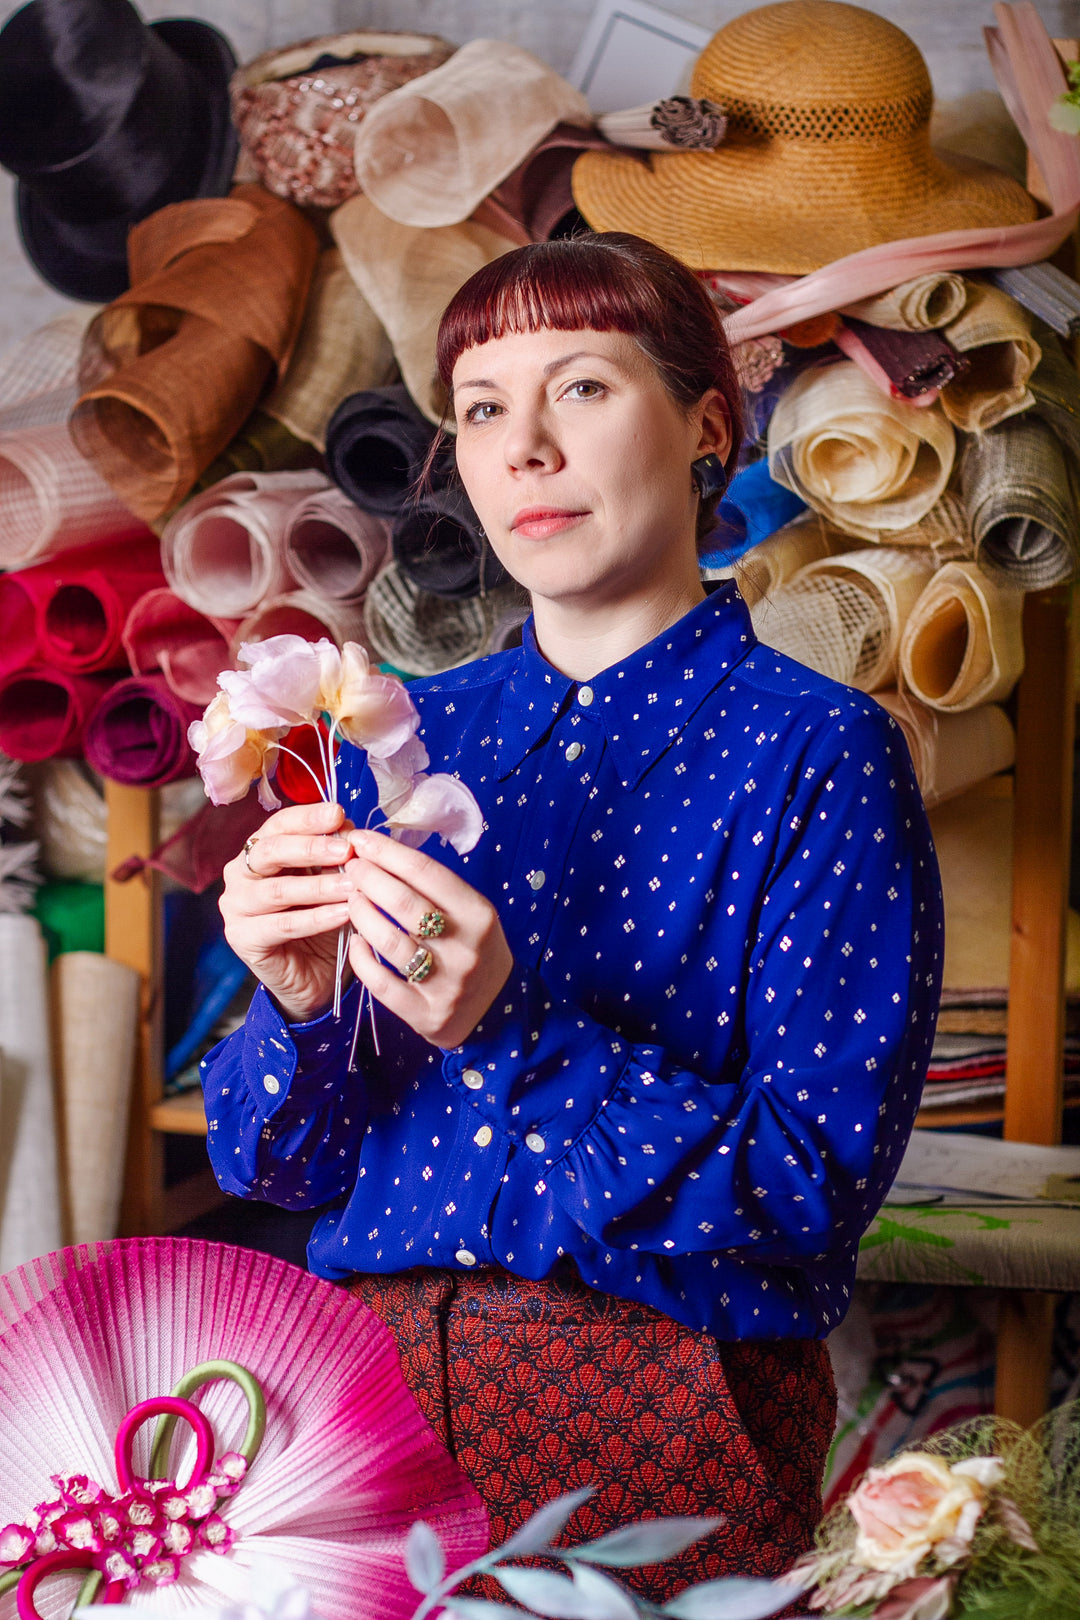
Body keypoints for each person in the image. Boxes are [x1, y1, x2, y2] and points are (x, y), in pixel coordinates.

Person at [202, 233, 943, 1599]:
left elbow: (807, 1190)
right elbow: (277, 1167)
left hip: (665, 1411)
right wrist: (299, 1009)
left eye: (584, 388)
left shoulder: (819, 755)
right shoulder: (387, 742)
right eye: (484, 408)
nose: (526, 447)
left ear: (706, 426)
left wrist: (510, 1026)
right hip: (354, 1407)